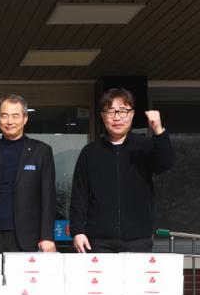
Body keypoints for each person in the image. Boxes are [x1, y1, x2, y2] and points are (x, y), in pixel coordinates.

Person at [69, 87, 175, 253]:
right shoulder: (90, 152)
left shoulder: (144, 146)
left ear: (132, 114)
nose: (117, 117)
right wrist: (77, 231)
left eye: (123, 111)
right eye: (111, 111)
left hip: (138, 239)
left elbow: (166, 163)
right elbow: (79, 194)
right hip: (97, 241)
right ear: (103, 116)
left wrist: (158, 130)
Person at [0, 95, 56, 253]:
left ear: (25, 119)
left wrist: (47, 236)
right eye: (4, 115)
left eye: (15, 116)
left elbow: (48, 197)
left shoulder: (41, 151)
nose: (10, 121)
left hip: (27, 236)